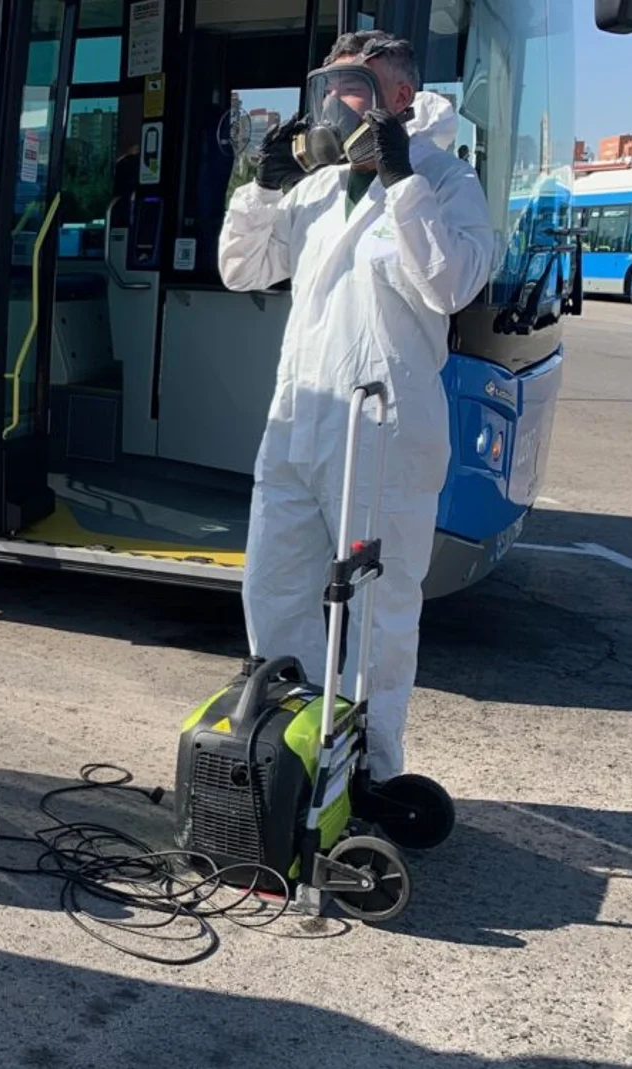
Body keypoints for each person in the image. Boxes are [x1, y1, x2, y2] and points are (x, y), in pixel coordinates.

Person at [218, 31, 498, 783]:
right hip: (298, 420)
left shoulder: (444, 181)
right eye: (331, 85)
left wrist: (401, 179)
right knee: (274, 593)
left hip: (381, 428)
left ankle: (369, 777)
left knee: (373, 619)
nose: (337, 102)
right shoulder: (315, 186)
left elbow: (452, 285)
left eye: (355, 86)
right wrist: (264, 187)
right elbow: (241, 266)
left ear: (399, 98)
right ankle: (289, 766)